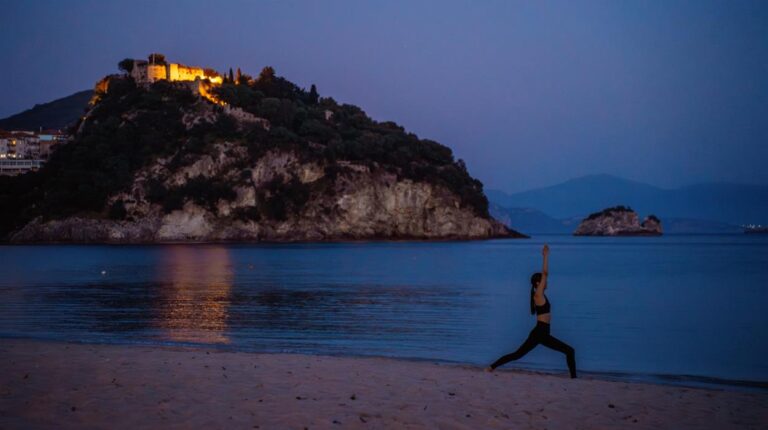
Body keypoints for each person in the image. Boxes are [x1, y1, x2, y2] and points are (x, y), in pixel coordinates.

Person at [486, 244, 577, 378]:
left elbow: (545, 276)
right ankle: (491, 367)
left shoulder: (540, 295)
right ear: (537, 284)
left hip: (543, 333)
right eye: (543, 281)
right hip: (540, 332)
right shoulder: (538, 295)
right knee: (518, 355)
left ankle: (491, 367)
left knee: (568, 351)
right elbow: (545, 273)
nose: (546, 282)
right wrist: (545, 256)